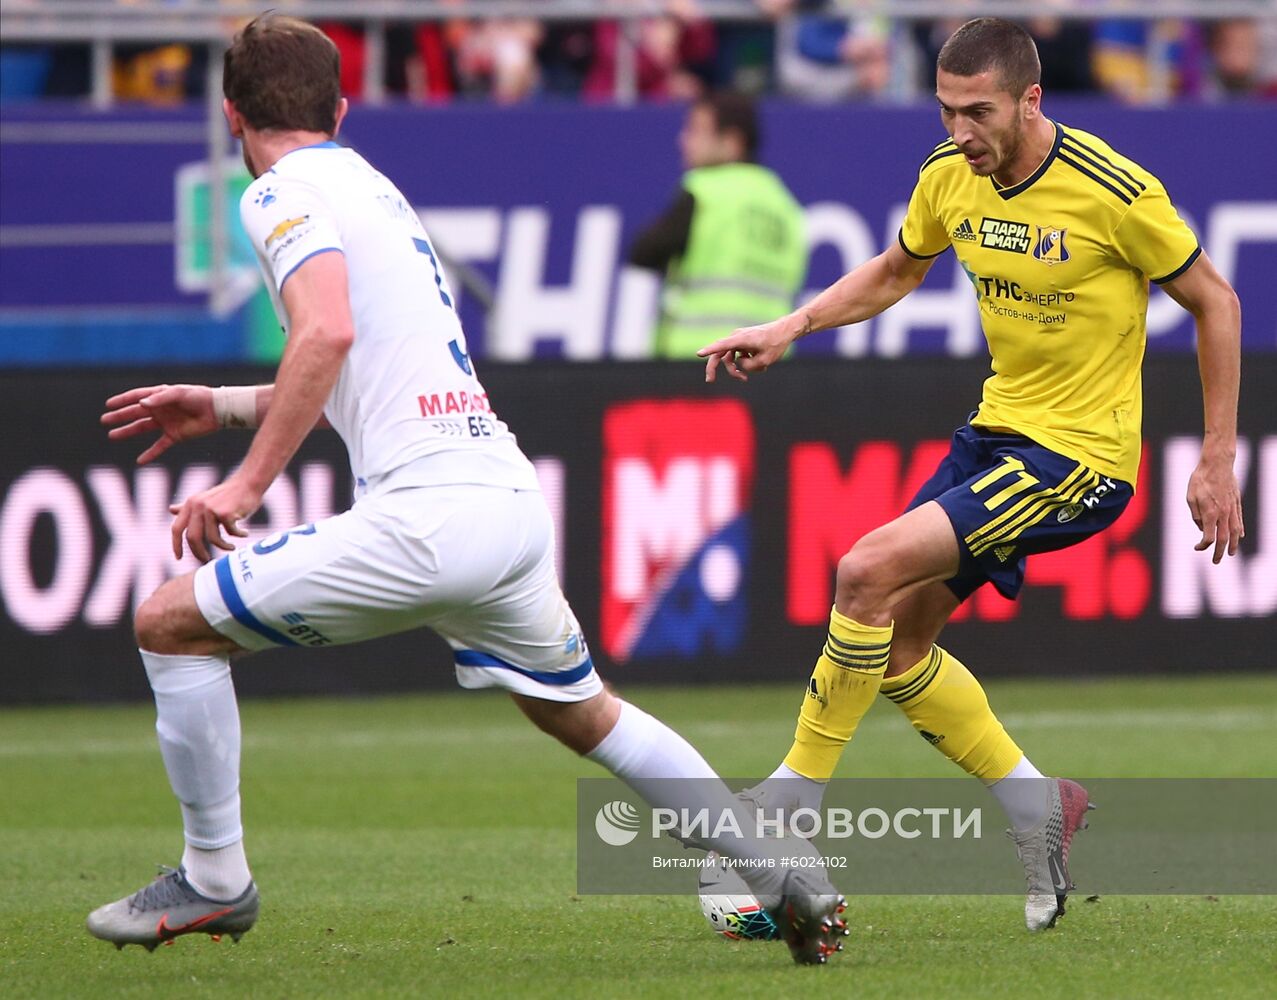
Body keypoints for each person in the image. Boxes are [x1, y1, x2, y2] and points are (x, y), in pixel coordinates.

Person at [86, 14, 847, 966]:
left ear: (230, 113)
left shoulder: (279, 191)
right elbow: (362, 358)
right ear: (344, 108)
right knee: (582, 712)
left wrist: (244, 485)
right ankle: (780, 875)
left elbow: (323, 337)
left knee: (168, 623)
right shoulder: (371, 186)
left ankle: (214, 879)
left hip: (427, 520)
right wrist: (228, 404)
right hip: (503, 501)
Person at [698, 17, 1243, 932]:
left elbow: (1215, 301)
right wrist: (786, 329)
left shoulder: (1111, 189)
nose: (960, 131)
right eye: (947, 110)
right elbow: (891, 273)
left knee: (863, 569)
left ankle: (789, 808)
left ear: (1030, 100)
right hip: (994, 435)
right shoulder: (950, 175)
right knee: (899, 644)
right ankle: (1039, 805)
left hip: (1078, 458)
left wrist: (1217, 457)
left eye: (978, 112)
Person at [626, 90, 806, 359]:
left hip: (700, 358)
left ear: (732, 142)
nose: (683, 140)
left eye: (696, 131)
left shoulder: (705, 190)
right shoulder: (787, 207)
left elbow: (643, 252)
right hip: (769, 360)